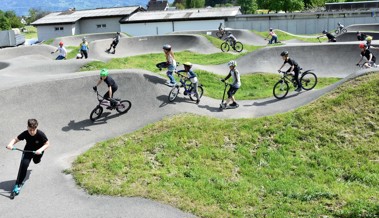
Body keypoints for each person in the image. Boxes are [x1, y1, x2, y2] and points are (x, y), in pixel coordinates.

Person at [6, 119, 49, 195]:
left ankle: (36, 161)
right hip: (28, 151)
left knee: (36, 161)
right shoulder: (25, 133)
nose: (31, 132)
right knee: (23, 165)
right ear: (27, 127)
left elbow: (47, 144)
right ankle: (18, 183)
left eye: (33, 130)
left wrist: (40, 150)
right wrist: (10, 144)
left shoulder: (40, 134)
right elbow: (16, 139)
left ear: (36, 128)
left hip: (38, 152)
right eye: (30, 130)